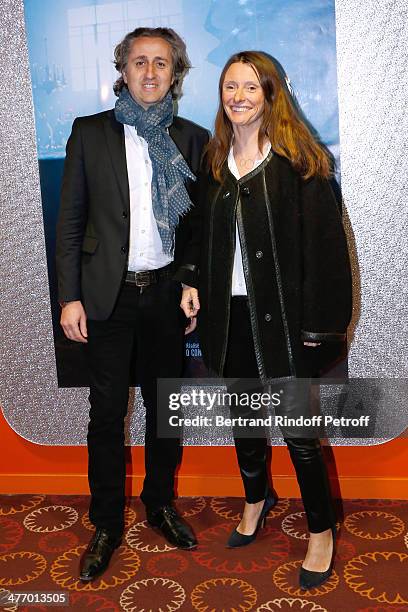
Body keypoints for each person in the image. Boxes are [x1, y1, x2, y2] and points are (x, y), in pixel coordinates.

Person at [178, 51, 352, 590]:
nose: (238, 96)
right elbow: (197, 233)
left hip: (286, 324)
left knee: (300, 434)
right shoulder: (213, 162)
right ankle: (257, 499)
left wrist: (320, 332)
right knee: (245, 423)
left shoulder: (299, 164)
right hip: (228, 320)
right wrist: (190, 280)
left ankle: (320, 530)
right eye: (230, 86)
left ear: (270, 94)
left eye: (250, 87)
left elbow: (327, 256)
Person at [56, 27, 209, 582]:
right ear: (123, 69)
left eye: (161, 63)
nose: (150, 73)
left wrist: (191, 277)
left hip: (165, 296)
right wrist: (69, 296)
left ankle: (160, 503)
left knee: (166, 412)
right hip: (106, 298)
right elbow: (70, 222)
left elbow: (195, 228)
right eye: (139, 62)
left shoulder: (192, 138)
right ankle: (104, 523)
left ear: (175, 74)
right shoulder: (90, 133)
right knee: (105, 416)